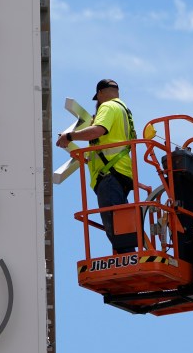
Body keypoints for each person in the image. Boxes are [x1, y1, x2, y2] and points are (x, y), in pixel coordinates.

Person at [56, 79, 137, 253]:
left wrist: (68, 137)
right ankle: (129, 255)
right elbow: (112, 143)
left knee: (114, 225)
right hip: (122, 171)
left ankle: (127, 258)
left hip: (109, 174)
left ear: (100, 93)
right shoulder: (125, 112)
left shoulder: (107, 107)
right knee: (122, 223)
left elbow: (97, 131)